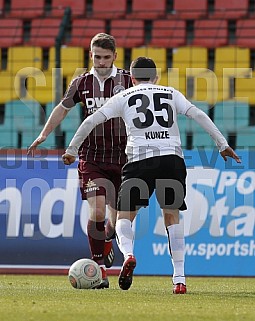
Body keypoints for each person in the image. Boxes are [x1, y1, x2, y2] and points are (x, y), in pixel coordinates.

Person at [62, 57, 241, 294]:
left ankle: (128, 254)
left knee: (124, 216)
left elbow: (91, 121)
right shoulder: (170, 92)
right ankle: (179, 279)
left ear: (132, 79)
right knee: (172, 216)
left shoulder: (124, 96)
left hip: (139, 161)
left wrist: (72, 149)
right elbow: (198, 115)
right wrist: (222, 144)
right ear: (156, 77)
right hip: (171, 159)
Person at [27, 33, 133, 289]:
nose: (101, 62)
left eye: (106, 57)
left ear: (115, 57)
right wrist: (44, 134)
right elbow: (63, 107)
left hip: (123, 157)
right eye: (97, 57)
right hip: (92, 156)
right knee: (96, 211)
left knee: (116, 223)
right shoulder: (81, 83)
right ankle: (99, 269)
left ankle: (107, 244)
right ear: (90, 55)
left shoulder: (128, 81)